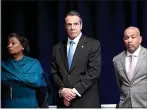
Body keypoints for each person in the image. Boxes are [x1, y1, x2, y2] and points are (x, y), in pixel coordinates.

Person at [51, 11, 101, 108]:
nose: (72, 27)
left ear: (81, 25)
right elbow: (54, 72)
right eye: (69, 24)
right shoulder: (57, 48)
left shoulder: (93, 45)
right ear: (65, 27)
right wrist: (63, 90)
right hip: (64, 103)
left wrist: (73, 92)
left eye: (76, 24)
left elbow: (94, 72)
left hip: (86, 103)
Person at [1, 33, 47, 108]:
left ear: (22, 46)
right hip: (9, 104)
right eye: (8, 43)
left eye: (13, 43)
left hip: (29, 104)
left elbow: (37, 82)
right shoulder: (3, 65)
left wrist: (12, 78)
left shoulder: (33, 63)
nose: (9, 46)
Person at [113, 26, 147, 108]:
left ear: (140, 39)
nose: (130, 40)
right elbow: (120, 83)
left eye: (133, 37)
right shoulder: (117, 59)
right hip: (125, 105)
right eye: (126, 38)